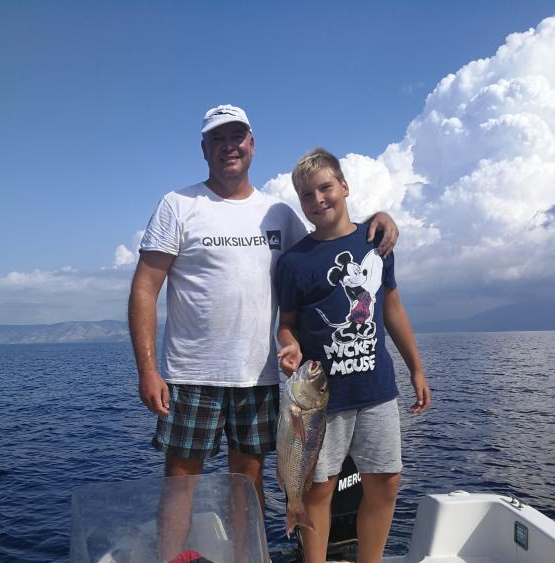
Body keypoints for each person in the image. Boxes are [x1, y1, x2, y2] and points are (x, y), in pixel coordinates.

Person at [128, 106, 399, 525]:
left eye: (236, 137)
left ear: (252, 144)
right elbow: (145, 289)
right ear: (204, 149)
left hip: (258, 375)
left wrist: (374, 222)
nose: (228, 146)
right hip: (191, 374)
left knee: (247, 480)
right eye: (217, 139)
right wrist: (148, 371)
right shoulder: (178, 205)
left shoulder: (278, 214)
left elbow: (325, 245)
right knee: (181, 481)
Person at [275, 148, 430, 563]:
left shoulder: (376, 241)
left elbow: (393, 308)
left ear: (344, 186)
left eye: (325, 187)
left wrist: (416, 369)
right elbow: (287, 324)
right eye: (306, 195)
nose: (318, 199)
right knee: (317, 489)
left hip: (377, 390)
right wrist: (288, 347)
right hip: (322, 400)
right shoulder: (294, 263)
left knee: (385, 482)